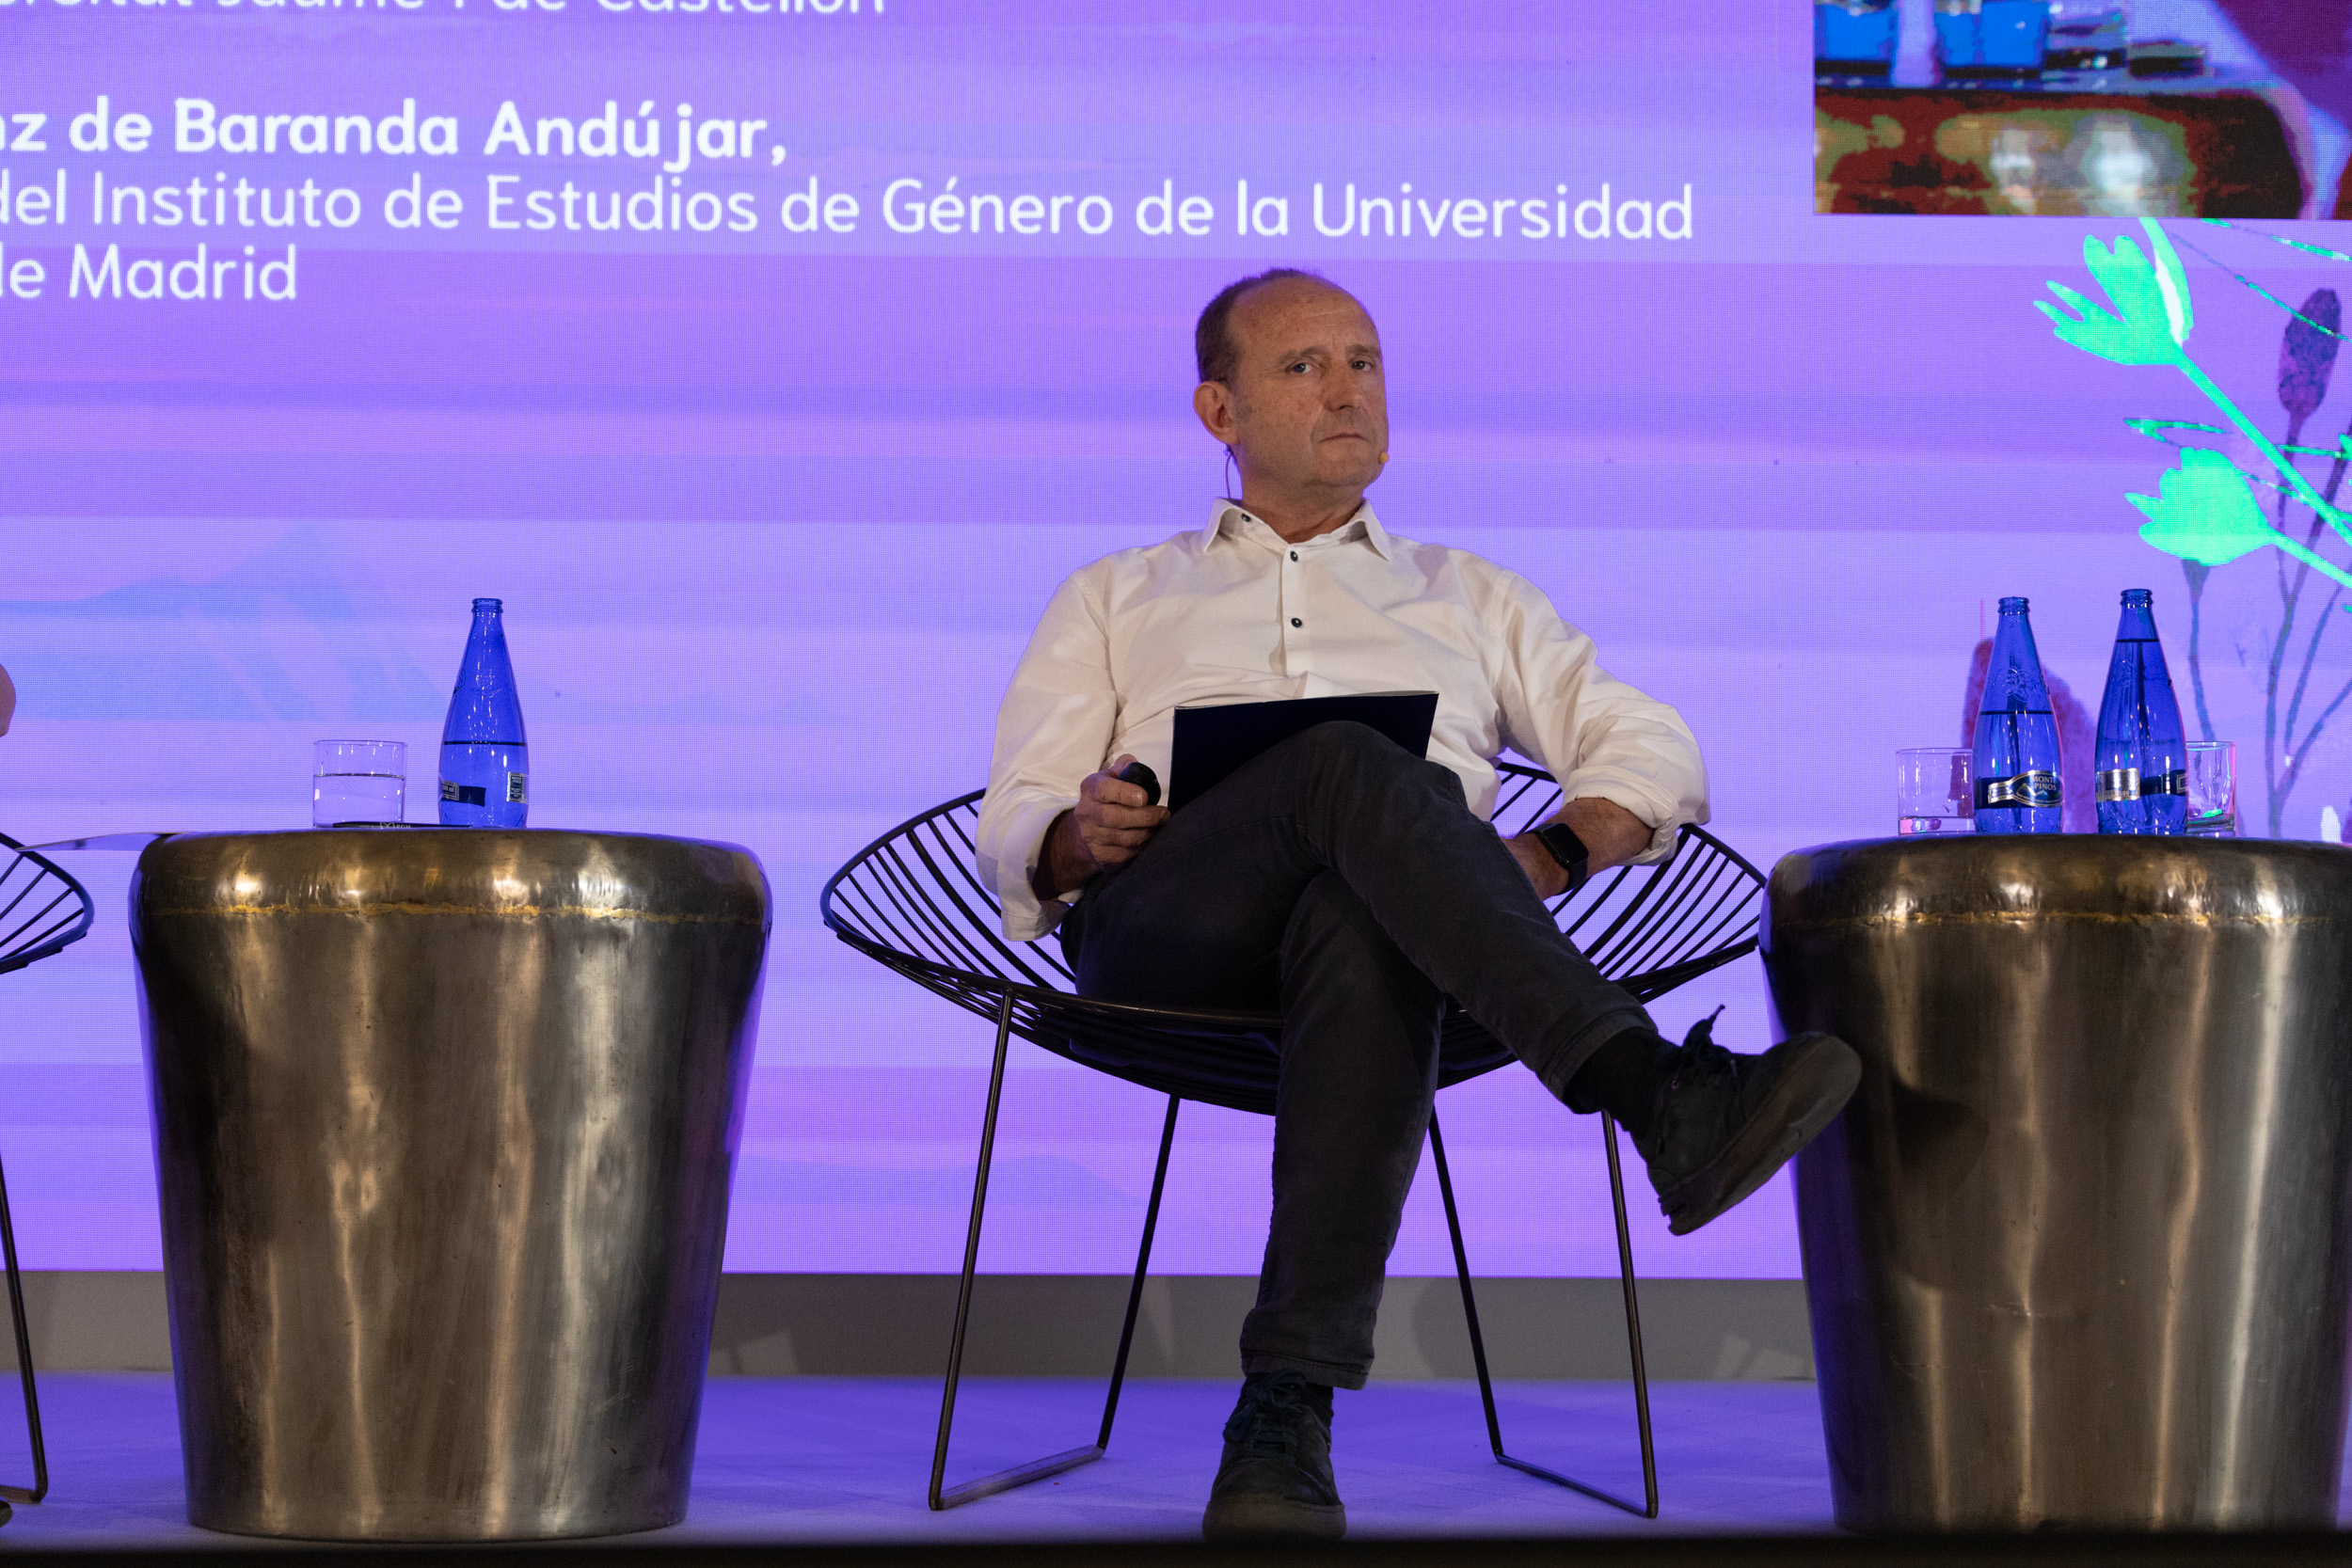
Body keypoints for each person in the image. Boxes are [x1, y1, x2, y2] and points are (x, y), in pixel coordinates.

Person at [974, 269, 1858, 1542]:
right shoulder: (1117, 592)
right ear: (1216, 409)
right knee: (1350, 763)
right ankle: (1652, 1093)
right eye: (1304, 368)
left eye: (1366, 361)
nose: (1347, 390)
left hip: (1415, 950)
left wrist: (1549, 850)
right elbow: (1014, 815)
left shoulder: (1470, 593)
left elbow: (1653, 749)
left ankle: (1284, 1413)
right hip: (1169, 939)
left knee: (1359, 907)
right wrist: (1072, 831)